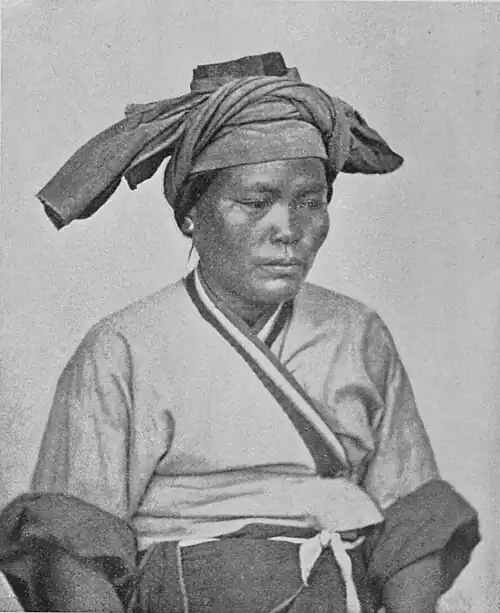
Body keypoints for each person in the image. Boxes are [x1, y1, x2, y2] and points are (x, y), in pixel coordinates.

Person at [0, 52, 479, 613]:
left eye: (311, 202)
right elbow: (70, 548)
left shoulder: (358, 334)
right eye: (255, 202)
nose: (288, 230)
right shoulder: (121, 349)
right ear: (190, 215)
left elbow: (413, 521)